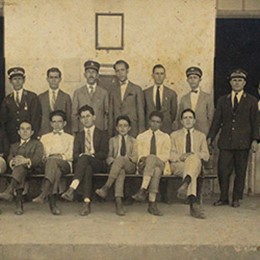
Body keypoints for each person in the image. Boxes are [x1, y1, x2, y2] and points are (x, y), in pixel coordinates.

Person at [208, 69, 259, 207]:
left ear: (244, 83)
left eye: (240, 80)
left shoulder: (252, 101)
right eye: (234, 80)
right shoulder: (222, 100)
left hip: (243, 143)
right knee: (223, 170)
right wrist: (211, 137)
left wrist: (255, 140)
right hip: (225, 142)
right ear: (230, 82)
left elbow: (255, 122)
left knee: (240, 171)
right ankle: (223, 198)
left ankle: (236, 198)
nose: (237, 83)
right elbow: (216, 121)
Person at [62, 105, 108, 216]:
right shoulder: (78, 135)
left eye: (88, 116)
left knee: (85, 159)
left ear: (94, 117)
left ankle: (72, 188)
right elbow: (75, 155)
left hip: (98, 163)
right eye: (83, 117)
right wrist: (84, 157)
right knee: (87, 168)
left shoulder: (102, 134)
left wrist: (90, 155)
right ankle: (86, 203)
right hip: (84, 166)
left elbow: (104, 153)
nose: (86, 119)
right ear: (80, 120)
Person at [170, 109, 210, 219]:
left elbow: (206, 155)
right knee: (192, 167)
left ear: (194, 121)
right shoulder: (174, 135)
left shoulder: (201, 136)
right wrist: (181, 156)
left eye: (190, 118)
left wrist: (194, 155)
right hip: (179, 166)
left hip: (194, 165)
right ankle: (193, 205)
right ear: (181, 121)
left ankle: (186, 184)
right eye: (185, 118)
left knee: (193, 160)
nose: (188, 120)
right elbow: (170, 155)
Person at [33, 110, 73, 215]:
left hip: (65, 164)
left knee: (54, 162)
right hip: (49, 164)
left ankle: (44, 192)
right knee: (55, 169)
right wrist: (49, 158)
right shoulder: (44, 137)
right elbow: (42, 155)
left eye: (59, 121)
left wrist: (60, 156)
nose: (56, 124)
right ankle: (53, 204)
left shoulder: (70, 138)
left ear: (64, 123)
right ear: (50, 123)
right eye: (54, 122)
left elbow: (71, 155)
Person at [95, 115, 138, 216]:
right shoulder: (112, 140)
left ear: (129, 128)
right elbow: (108, 156)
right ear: (116, 128)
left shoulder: (133, 141)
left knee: (121, 160)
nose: (123, 128)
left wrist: (123, 159)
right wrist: (115, 161)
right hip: (116, 167)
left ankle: (106, 187)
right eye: (120, 126)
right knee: (120, 171)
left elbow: (135, 157)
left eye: (125, 126)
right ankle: (119, 202)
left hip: (129, 166)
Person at [0, 121, 44, 215]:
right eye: (22, 129)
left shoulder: (37, 144)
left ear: (32, 132)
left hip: (33, 168)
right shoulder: (14, 145)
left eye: (28, 129)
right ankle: (18, 204)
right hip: (18, 169)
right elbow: (10, 157)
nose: (25, 131)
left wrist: (26, 160)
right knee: (20, 169)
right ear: (19, 132)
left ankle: (11, 192)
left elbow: (38, 158)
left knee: (20, 168)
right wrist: (13, 161)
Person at [132, 111, 171, 216]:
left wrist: (152, 158)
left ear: (161, 124)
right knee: (156, 170)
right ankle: (152, 203)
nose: (155, 124)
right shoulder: (141, 136)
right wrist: (145, 158)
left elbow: (166, 155)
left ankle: (143, 189)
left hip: (160, 163)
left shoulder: (165, 137)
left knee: (154, 160)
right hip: (145, 166)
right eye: (153, 121)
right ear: (149, 122)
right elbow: (139, 154)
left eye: (157, 122)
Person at [0, 67, 41, 146]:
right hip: (12, 139)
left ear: (24, 80)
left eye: (20, 79)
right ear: (10, 81)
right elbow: (4, 122)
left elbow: (35, 119)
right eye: (15, 79)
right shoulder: (7, 99)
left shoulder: (32, 97)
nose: (17, 82)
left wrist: (33, 137)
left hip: (28, 138)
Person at [109, 60, 145, 137]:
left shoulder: (136, 89)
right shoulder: (112, 91)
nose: (120, 73)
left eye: (122, 70)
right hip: (117, 129)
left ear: (127, 71)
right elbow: (111, 114)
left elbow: (141, 113)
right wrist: (110, 134)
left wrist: (141, 133)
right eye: (117, 71)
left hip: (133, 129)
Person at [72, 60, 109, 134]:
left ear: (98, 75)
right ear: (84, 75)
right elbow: (74, 114)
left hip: (99, 130)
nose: (91, 75)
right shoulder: (78, 92)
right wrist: (75, 131)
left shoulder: (104, 93)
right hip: (82, 130)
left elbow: (107, 114)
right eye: (88, 72)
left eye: (93, 72)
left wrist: (105, 130)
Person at [177, 67, 214, 135]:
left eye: (195, 77)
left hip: (203, 132)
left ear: (200, 80)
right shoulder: (184, 98)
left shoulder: (207, 98)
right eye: (190, 78)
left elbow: (211, 118)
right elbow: (180, 118)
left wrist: (210, 135)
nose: (192, 80)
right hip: (187, 133)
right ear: (187, 80)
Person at [144, 64, 178, 134]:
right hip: (150, 129)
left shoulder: (171, 93)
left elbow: (173, 113)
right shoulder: (145, 93)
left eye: (161, 74)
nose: (159, 76)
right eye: (157, 74)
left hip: (166, 128)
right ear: (152, 75)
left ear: (165, 76)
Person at [39, 67, 72, 135]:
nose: (53, 80)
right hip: (45, 133)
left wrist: (68, 134)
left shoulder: (66, 97)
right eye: (51, 77)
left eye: (56, 77)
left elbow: (69, 118)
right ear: (47, 79)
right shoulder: (40, 97)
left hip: (61, 134)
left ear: (60, 79)